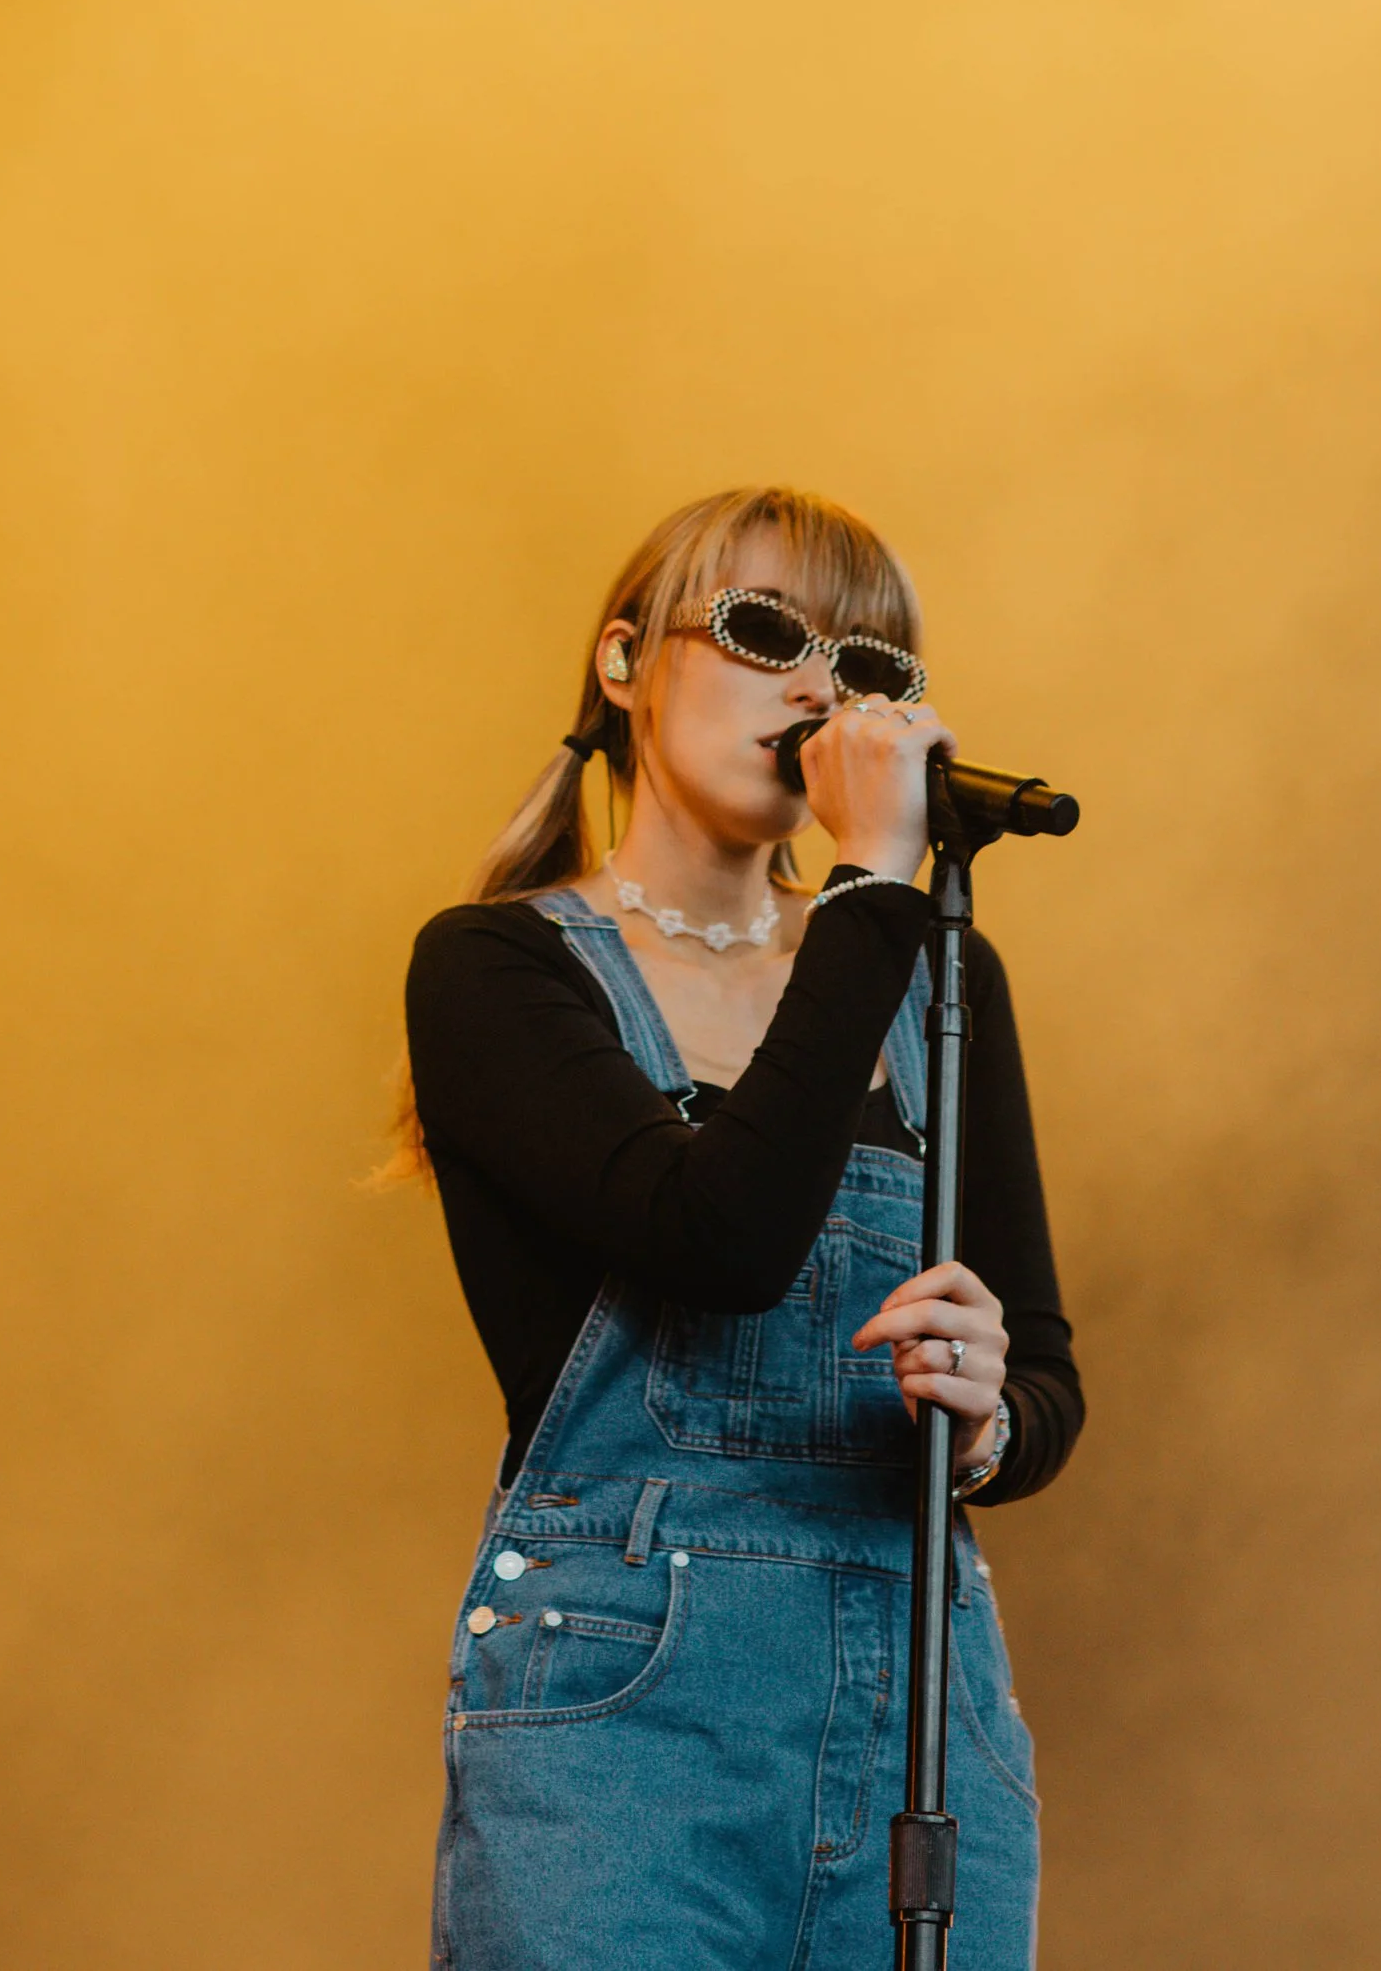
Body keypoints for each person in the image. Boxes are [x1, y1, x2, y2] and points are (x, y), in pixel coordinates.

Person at [401, 484, 1082, 1970]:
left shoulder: (935, 977)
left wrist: (982, 1423)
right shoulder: (498, 969)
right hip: (628, 1717)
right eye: (767, 629)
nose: (818, 686)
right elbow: (719, 1236)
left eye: (869, 664)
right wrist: (869, 886)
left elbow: (1045, 1380)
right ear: (624, 660)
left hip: (916, 1695)